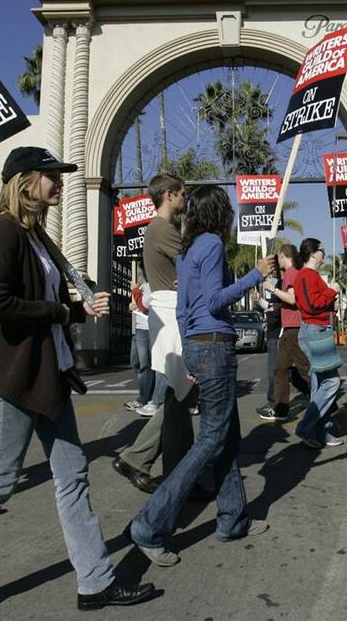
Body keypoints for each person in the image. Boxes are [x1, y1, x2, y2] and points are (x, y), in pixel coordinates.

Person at [0, 147, 158, 620]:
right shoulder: (2, 230)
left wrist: (78, 309)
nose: (60, 183)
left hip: (47, 372)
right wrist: (61, 311)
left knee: (73, 474)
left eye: (61, 176)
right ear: (24, 181)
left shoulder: (34, 234)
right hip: (15, 376)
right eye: (51, 176)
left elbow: (41, 300)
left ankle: (95, 580)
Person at [128, 185, 274, 567]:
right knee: (211, 439)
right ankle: (149, 523)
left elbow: (183, 308)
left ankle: (232, 518)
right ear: (220, 214)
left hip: (197, 343)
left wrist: (189, 352)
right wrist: (253, 276)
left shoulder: (190, 250)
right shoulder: (210, 245)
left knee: (225, 437)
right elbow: (213, 301)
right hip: (214, 344)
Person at [142, 173, 198, 479]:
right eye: (182, 194)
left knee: (181, 393)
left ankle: (176, 467)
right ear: (168, 195)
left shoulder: (160, 228)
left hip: (167, 313)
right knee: (181, 393)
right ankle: (140, 457)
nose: (185, 198)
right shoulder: (164, 229)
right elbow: (194, 265)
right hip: (171, 316)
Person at [293, 238, 345, 448]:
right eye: (322, 250)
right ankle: (307, 427)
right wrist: (331, 291)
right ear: (314, 253)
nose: (324, 253)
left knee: (319, 382)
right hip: (315, 331)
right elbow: (312, 304)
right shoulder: (306, 276)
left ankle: (319, 430)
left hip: (316, 330)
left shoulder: (308, 276)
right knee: (332, 382)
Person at [257, 244, 310, 422]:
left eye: (277, 257)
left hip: (293, 328)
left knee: (302, 369)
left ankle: (325, 396)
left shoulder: (290, 273)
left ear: (282, 255)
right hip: (291, 328)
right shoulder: (294, 272)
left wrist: (272, 289)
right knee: (281, 369)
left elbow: (292, 298)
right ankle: (280, 409)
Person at [125, 272, 166, 417]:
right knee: (135, 362)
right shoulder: (143, 285)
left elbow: (144, 305)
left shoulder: (155, 284)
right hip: (138, 329)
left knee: (145, 364)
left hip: (148, 329)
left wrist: (135, 293)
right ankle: (148, 394)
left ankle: (144, 398)